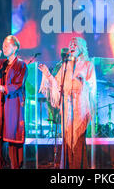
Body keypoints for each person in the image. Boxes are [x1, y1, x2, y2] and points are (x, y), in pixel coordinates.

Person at [39, 37, 96, 169]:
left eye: (75, 44)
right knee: (67, 141)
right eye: (70, 44)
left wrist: (84, 82)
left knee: (78, 142)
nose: (72, 46)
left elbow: (93, 87)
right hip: (67, 109)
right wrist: (47, 74)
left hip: (80, 108)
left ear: (81, 48)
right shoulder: (65, 66)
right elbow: (56, 85)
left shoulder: (88, 65)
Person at [0, 35, 28, 169]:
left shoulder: (21, 64)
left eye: (7, 45)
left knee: (12, 137)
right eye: (3, 45)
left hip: (12, 104)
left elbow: (17, 85)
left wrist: (0, 87)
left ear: (15, 47)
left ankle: (15, 166)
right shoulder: (0, 63)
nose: (3, 47)